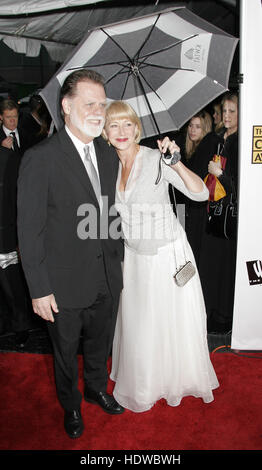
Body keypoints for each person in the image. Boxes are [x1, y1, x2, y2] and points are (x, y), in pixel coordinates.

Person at [17, 69, 124, 439]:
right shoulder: (41, 158)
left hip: (106, 276)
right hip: (61, 284)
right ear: (66, 106)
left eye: (102, 104)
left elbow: (110, 212)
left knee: (100, 344)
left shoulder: (109, 154)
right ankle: (72, 405)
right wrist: (38, 288)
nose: (98, 111)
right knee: (64, 354)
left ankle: (96, 389)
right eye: (89, 103)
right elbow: (29, 231)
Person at [102, 101, 219, 413]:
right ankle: (145, 380)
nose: (122, 131)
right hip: (135, 257)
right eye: (114, 125)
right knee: (142, 322)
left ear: (137, 128)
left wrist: (177, 163)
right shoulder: (107, 165)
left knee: (167, 320)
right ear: (105, 132)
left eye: (128, 124)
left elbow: (200, 193)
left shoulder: (156, 159)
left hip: (166, 253)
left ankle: (172, 379)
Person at [198, 92, 239, 333]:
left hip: (229, 216)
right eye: (224, 111)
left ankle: (223, 317)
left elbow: (243, 184)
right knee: (210, 263)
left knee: (225, 265)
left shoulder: (242, 141)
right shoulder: (217, 139)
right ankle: (209, 312)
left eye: (232, 111)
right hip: (212, 211)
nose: (226, 115)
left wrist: (220, 173)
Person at [0, 146, 32, 347]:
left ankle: (21, 326)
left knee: (12, 284)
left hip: (6, 232)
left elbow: (20, 198)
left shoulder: (10, 158)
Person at [181, 111, 221, 266]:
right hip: (195, 209)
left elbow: (195, 178)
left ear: (205, 128)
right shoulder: (193, 149)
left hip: (201, 210)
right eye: (191, 125)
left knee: (195, 252)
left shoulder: (207, 143)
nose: (192, 130)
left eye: (198, 127)